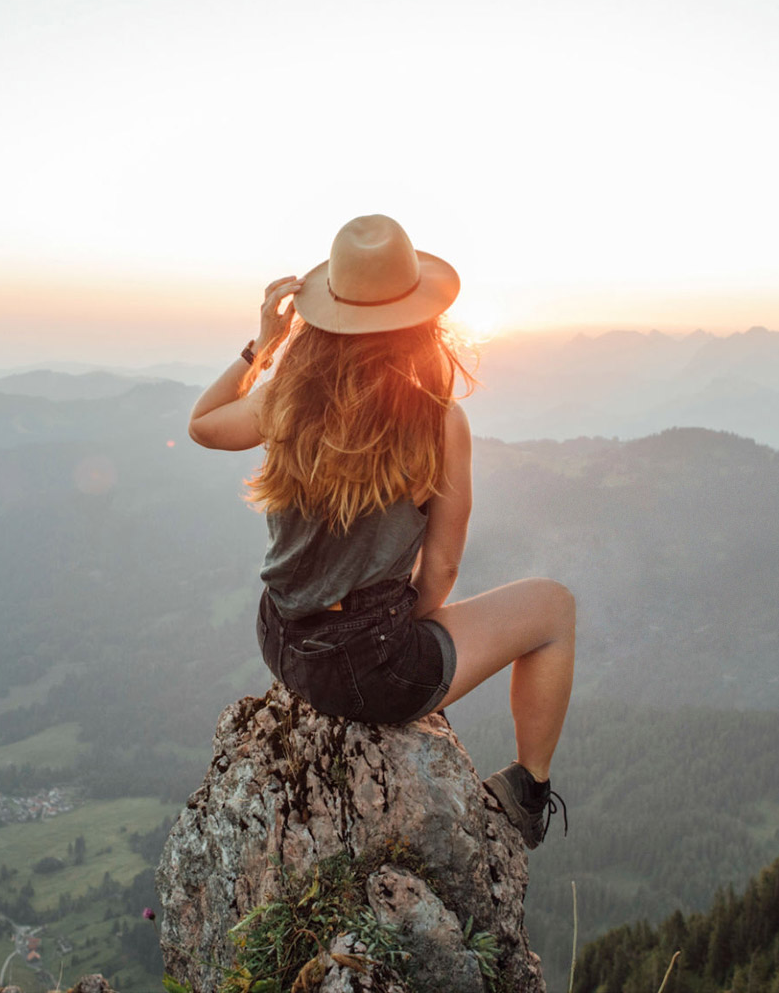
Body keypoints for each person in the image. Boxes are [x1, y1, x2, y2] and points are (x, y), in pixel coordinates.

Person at [188, 214, 577, 849]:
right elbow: (444, 568)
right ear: (424, 316)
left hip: (280, 639)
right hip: (368, 666)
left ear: (327, 312)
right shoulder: (438, 422)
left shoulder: (287, 395)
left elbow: (203, 424)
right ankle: (528, 792)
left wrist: (260, 344)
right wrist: (395, 633)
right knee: (554, 609)